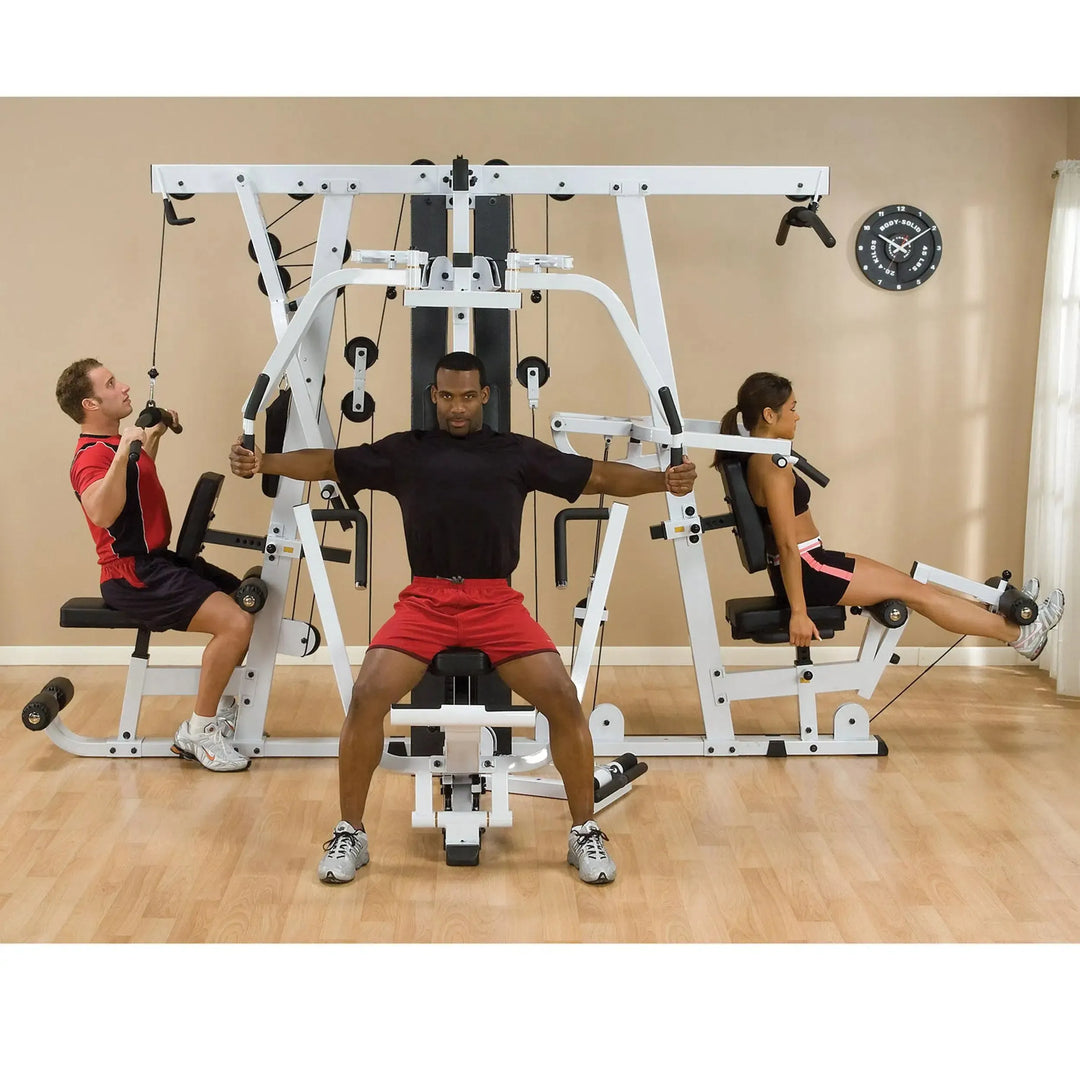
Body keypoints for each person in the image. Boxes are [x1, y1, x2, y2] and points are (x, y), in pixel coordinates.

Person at [229, 350, 697, 885]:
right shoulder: (406, 452)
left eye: (468, 396)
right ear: (433, 395)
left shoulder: (515, 453)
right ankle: (350, 832)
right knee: (367, 695)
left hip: (495, 602)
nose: (457, 407)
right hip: (426, 601)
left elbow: (596, 475)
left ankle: (583, 831)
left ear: (485, 397)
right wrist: (265, 462)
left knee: (563, 698)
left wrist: (664, 481)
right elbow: (332, 463)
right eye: (447, 396)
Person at [714, 371, 1065, 657]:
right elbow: (788, 547)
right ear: (769, 415)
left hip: (813, 561)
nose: (798, 415)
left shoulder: (760, 457)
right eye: (792, 408)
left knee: (915, 585)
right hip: (809, 569)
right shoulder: (771, 466)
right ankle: (1021, 635)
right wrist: (799, 613)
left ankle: (996, 609)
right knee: (919, 594)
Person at [56, 358, 254, 772]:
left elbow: (134, 478)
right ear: (91, 404)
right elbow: (101, 512)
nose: (125, 386)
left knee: (248, 601)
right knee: (235, 623)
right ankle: (199, 732)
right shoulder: (91, 457)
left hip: (157, 561)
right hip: (132, 575)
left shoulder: (116, 446)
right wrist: (124, 451)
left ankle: (217, 710)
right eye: (111, 384)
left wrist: (154, 435)